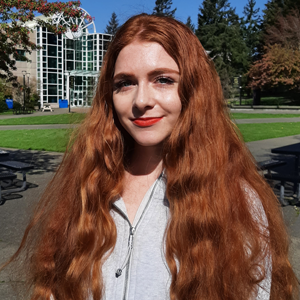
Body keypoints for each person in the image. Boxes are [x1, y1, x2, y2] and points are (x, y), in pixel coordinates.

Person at [3, 14, 299, 300]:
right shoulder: (87, 185)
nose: (141, 100)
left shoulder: (237, 201)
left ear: (193, 90)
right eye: (125, 83)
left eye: (163, 80)